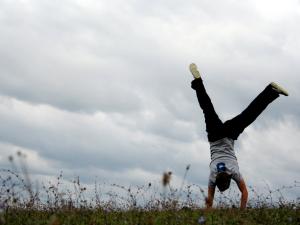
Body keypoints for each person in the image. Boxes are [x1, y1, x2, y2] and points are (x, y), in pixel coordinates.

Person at [188, 63, 289, 209]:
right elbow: (209, 200)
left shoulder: (234, 172)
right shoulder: (212, 175)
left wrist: (242, 212)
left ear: (230, 179)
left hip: (229, 134)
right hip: (215, 135)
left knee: (249, 115)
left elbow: (244, 192)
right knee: (207, 107)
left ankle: (271, 91)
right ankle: (198, 82)